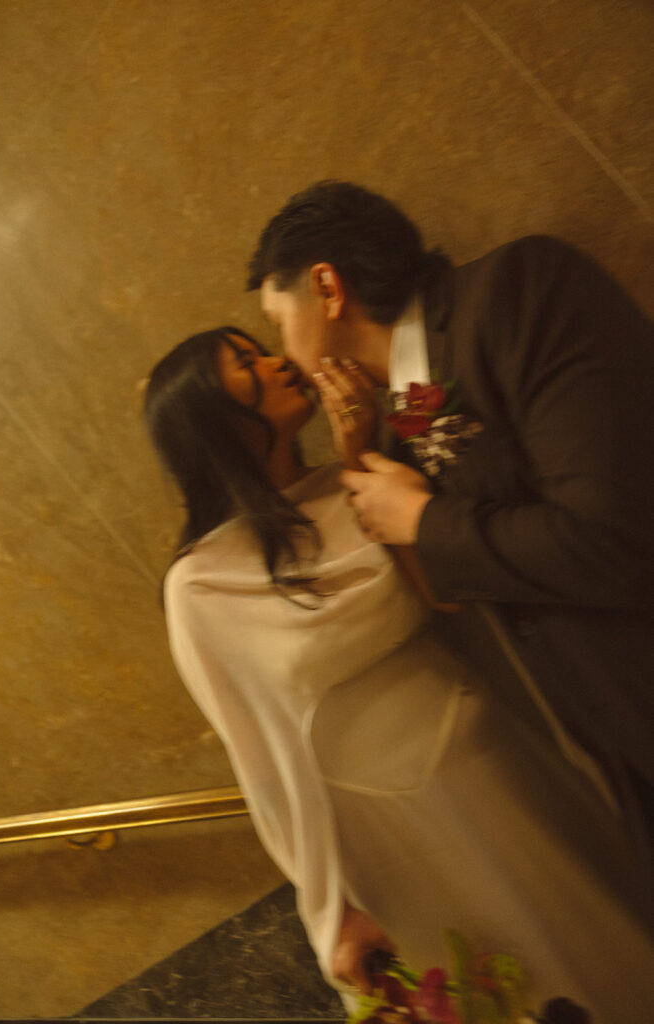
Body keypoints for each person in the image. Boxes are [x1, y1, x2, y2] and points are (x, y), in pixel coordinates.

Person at [145, 326, 653, 1022]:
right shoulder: (200, 586)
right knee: (505, 984)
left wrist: (359, 452)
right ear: (207, 413)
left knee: (600, 936)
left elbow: (442, 594)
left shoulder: (360, 480)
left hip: (499, 750)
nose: (276, 362)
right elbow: (259, 759)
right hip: (388, 828)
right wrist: (327, 907)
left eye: (262, 347)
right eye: (246, 362)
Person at [247, 180, 654, 919]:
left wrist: (424, 518)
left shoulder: (518, 291)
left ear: (327, 288)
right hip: (615, 732)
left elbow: (610, 539)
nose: (283, 351)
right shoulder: (407, 407)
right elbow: (445, 586)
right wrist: (357, 451)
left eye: (277, 322)